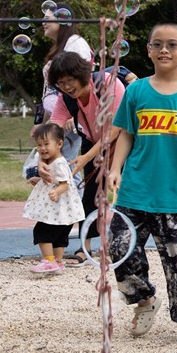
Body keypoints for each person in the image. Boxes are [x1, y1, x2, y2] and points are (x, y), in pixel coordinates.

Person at [107, 21, 177, 347]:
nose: (164, 50)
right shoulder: (136, 91)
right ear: (148, 50)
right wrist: (115, 169)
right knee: (118, 247)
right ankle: (143, 300)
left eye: (172, 44)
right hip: (135, 191)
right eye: (157, 44)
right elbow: (126, 134)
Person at [47, 52, 125, 265]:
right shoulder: (66, 99)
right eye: (61, 83)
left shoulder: (108, 84)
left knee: (123, 193)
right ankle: (85, 247)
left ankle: (120, 245)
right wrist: (43, 162)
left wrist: (86, 157)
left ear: (83, 74)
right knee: (90, 193)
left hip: (123, 139)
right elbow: (53, 131)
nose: (66, 87)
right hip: (93, 141)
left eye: (70, 80)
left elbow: (116, 128)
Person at [22, 123, 86, 275]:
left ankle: (49, 260)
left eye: (46, 144)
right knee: (59, 237)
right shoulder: (53, 162)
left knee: (42, 231)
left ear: (59, 144)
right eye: (39, 145)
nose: (42, 148)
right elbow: (53, 180)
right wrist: (38, 180)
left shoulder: (59, 163)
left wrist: (57, 192)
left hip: (56, 208)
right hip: (61, 210)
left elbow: (65, 184)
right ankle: (57, 262)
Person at [39, 3, 92, 182]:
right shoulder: (62, 45)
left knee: (64, 166)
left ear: (62, 20)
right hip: (62, 115)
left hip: (70, 118)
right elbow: (53, 92)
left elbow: (83, 78)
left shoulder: (75, 44)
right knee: (57, 166)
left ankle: (73, 208)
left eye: (47, 19)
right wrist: (43, 122)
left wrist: (72, 115)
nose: (43, 23)